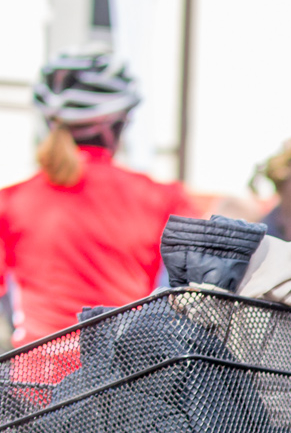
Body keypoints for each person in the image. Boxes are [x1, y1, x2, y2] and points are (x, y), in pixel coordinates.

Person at [0, 50, 191, 347]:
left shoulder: (12, 201)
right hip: (124, 378)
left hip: (35, 383)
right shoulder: (162, 200)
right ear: (117, 126)